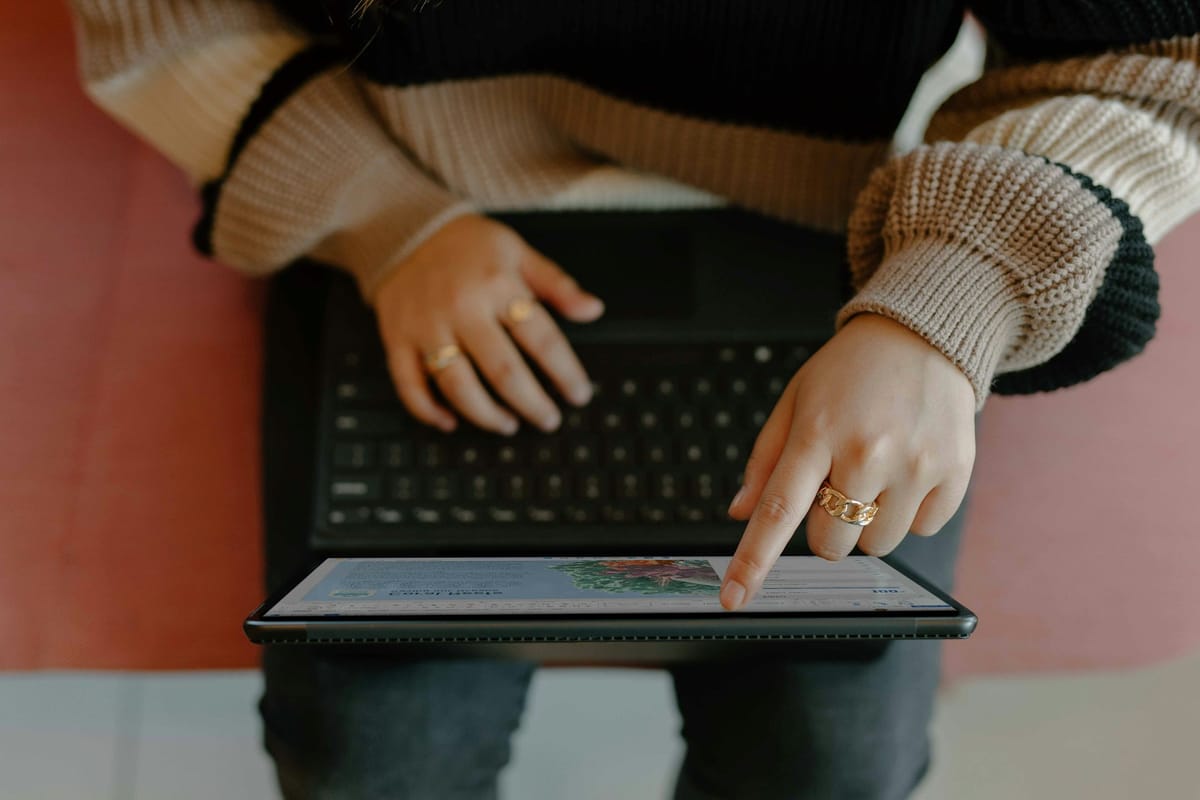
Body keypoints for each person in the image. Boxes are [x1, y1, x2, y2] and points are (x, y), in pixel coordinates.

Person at [67, 1, 1198, 797]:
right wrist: (381, 219)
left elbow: (1154, 56)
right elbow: (163, 17)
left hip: (828, 249)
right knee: (371, 764)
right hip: (411, 221)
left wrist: (943, 299)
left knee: (831, 761)